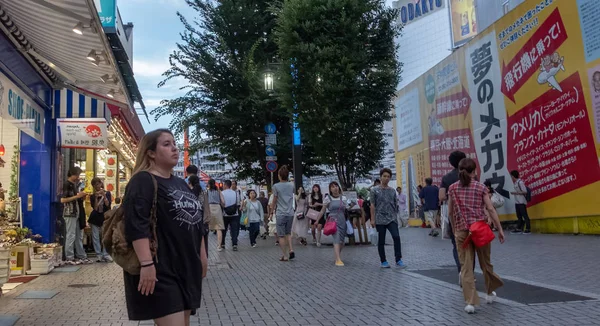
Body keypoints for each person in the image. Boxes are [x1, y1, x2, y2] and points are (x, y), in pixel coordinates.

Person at [122, 128, 207, 324]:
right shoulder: (142, 180)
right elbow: (136, 224)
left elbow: (196, 222)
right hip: (161, 269)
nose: (174, 149)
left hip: (186, 267)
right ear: (151, 153)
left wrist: (202, 256)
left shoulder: (180, 183)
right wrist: (146, 264)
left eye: (174, 144)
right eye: (166, 144)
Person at [448, 158, 505, 314]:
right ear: (474, 171)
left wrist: (454, 230)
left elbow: (450, 213)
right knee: (486, 263)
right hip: (480, 229)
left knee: (466, 267)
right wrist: (499, 228)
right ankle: (489, 292)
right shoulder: (480, 187)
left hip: (461, 232)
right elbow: (491, 209)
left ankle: (470, 302)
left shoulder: (452, 188)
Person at [370, 168, 406, 269]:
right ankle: (383, 261)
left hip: (391, 218)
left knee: (396, 237)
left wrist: (396, 215)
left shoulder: (392, 191)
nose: (386, 178)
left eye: (388, 177)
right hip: (380, 218)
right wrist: (372, 219)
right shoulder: (374, 190)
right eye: (384, 176)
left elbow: (395, 204)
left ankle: (398, 259)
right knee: (381, 240)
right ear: (381, 177)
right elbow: (372, 205)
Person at [439, 151, 466, 280]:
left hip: (454, 217)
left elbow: (441, 196)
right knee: (470, 246)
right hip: (472, 217)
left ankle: (461, 271)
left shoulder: (446, 178)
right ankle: (469, 273)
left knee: (456, 245)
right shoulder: (471, 176)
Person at [60, 166, 90, 265]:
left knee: (78, 235)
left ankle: (81, 255)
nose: (78, 177)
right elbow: (63, 200)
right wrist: (77, 196)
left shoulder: (74, 184)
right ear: (72, 174)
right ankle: (69, 257)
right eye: (77, 175)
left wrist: (81, 196)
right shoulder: (67, 184)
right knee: (71, 235)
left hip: (76, 212)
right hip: (69, 213)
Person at [320, 181, 348, 266]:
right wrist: (317, 220)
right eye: (332, 187)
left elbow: (347, 208)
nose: (335, 188)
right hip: (333, 220)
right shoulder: (328, 198)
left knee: (342, 241)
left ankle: (337, 255)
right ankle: (338, 259)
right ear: (330, 189)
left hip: (342, 220)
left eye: (336, 186)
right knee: (336, 239)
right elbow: (323, 210)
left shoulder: (343, 198)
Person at [270, 166, 295, 261]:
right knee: (288, 233)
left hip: (280, 213)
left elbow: (274, 200)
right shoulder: (291, 185)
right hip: (290, 212)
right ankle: (291, 249)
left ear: (279, 175)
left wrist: (271, 212)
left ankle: (284, 255)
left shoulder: (276, 186)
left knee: (281, 235)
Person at [88, 177, 113, 262]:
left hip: (104, 217)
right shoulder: (92, 196)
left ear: (101, 184)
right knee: (95, 237)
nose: (97, 186)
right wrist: (95, 197)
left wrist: (104, 195)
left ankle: (105, 254)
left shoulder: (108, 193)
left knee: (105, 236)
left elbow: (108, 205)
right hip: (95, 218)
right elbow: (95, 208)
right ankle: (98, 254)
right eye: (95, 185)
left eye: (98, 184)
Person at [189, 175, 211, 256]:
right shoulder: (204, 192)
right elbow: (206, 207)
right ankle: (204, 257)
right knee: (204, 241)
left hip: (193, 219)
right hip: (203, 219)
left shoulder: (189, 192)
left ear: (190, 183)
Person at [221, 180, 240, 251]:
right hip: (234, 214)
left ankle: (222, 243)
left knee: (224, 229)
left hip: (225, 214)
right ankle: (234, 244)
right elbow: (238, 203)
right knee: (234, 230)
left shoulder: (222, 193)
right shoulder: (235, 193)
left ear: (225, 185)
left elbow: (221, 203)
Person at [207, 179, 225, 251]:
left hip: (209, 208)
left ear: (208, 184)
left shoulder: (206, 192)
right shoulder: (218, 191)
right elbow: (223, 201)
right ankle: (219, 246)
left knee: (207, 227)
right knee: (219, 228)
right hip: (217, 208)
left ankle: (206, 246)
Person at [510, 170, 531, 234]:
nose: (511, 178)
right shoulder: (515, 183)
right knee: (519, 216)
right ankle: (519, 228)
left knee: (524, 215)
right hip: (517, 202)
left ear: (513, 176)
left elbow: (525, 191)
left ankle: (528, 228)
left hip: (522, 201)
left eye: (511, 176)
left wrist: (515, 193)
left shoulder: (520, 182)